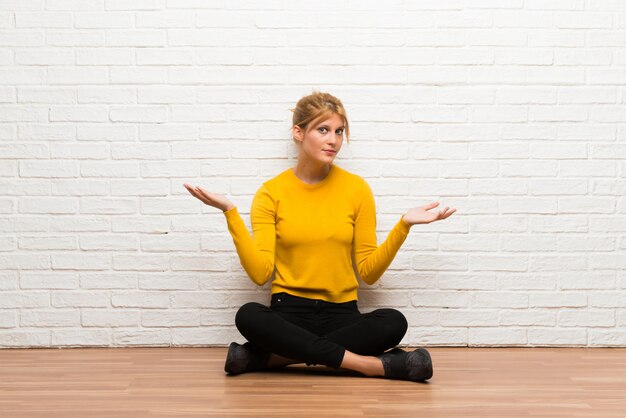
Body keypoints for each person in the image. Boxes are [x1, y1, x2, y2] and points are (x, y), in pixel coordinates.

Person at [183, 91, 456, 382]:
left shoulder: (356, 189)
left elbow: (369, 272)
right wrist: (230, 212)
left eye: (339, 131)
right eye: (323, 130)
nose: (333, 140)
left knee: (393, 321)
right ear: (298, 132)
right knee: (248, 315)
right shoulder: (270, 193)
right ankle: (372, 366)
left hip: (342, 315)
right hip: (288, 313)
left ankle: (273, 358)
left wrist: (403, 226)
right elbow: (261, 274)